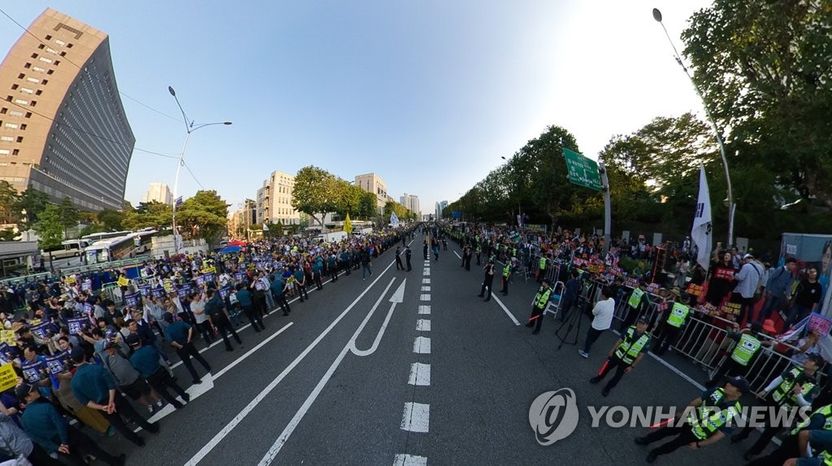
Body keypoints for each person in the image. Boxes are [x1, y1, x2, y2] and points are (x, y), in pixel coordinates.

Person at [635, 377, 748, 463]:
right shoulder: (717, 391)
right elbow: (697, 401)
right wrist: (683, 413)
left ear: (738, 393)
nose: (728, 384)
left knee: (675, 444)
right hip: (688, 419)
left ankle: (656, 452)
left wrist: (699, 444)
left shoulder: (736, 412)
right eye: (730, 382)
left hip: (697, 433)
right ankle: (646, 440)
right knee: (665, 431)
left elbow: (720, 434)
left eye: (732, 385)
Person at [732, 354, 822, 461]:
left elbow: (807, 405)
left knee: (768, 433)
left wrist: (798, 394)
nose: (807, 361)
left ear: (816, 367)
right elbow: (779, 379)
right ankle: (742, 435)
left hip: (786, 411)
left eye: (811, 360)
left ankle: (753, 452)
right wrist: (766, 389)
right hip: (774, 400)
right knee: (755, 419)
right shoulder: (796, 369)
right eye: (808, 358)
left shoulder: (814, 386)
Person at [17, 382, 125, 466]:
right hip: (68, 434)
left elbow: (36, 438)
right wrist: (64, 441)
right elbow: (60, 424)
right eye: (33, 391)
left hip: (57, 443)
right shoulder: (46, 407)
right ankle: (115, 462)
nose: (36, 390)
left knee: (77, 462)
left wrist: (56, 447)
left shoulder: (24, 419)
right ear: (27, 397)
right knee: (92, 448)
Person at [70, 347, 159, 447]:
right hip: (114, 397)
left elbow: (85, 402)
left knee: (119, 425)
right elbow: (111, 385)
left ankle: (138, 441)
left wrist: (103, 407)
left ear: (73, 361)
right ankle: (152, 429)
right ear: (84, 355)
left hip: (101, 405)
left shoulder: (74, 382)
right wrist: (111, 401)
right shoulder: (97, 368)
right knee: (133, 414)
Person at [126, 333, 190, 411]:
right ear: (140, 340)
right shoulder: (149, 348)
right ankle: (185, 396)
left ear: (130, 345)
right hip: (159, 369)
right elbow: (157, 357)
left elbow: (137, 369)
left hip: (150, 377)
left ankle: (177, 405)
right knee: (173, 385)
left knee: (164, 392)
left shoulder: (132, 359)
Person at [590, 317, 651, 397]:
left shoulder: (647, 339)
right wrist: (612, 350)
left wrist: (632, 366)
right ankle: (598, 378)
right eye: (639, 322)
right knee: (606, 367)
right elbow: (620, 340)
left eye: (642, 324)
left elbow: (641, 355)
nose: (639, 324)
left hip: (627, 361)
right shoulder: (630, 328)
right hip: (618, 354)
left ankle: (607, 388)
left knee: (617, 377)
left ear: (646, 326)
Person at [706, 322, 765, 388]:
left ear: (750, 328)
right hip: (743, 363)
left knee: (721, 371)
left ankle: (711, 384)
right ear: (758, 332)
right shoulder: (758, 344)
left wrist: (730, 328)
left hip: (733, 358)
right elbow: (754, 357)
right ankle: (724, 389)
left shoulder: (743, 336)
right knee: (732, 378)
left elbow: (731, 334)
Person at [163, 313, 212, 384]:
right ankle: (208, 368)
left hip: (180, 348)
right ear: (172, 317)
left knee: (188, 364)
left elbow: (171, 341)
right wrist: (189, 338)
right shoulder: (180, 323)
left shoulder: (167, 330)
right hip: (188, 343)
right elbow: (190, 328)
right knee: (198, 356)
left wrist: (179, 346)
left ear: (166, 321)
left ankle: (197, 379)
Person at [579, 286, 615, 358]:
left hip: (597, 325)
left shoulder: (600, 303)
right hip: (606, 325)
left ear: (603, 295)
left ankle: (586, 352)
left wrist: (594, 305)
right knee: (595, 336)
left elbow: (594, 313)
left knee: (589, 336)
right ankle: (590, 344)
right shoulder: (612, 300)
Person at [758, 257, 797, 323]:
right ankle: (759, 321)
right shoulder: (780, 269)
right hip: (771, 292)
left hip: (779, 295)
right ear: (787, 264)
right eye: (792, 264)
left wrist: (788, 296)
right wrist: (768, 290)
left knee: (771, 309)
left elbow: (788, 286)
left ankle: (765, 323)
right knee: (766, 308)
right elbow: (771, 279)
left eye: (794, 265)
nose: (793, 266)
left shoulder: (791, 275)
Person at [732, 253, 765, 323]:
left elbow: (740, 277)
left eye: (744, 260)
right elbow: (761, 280)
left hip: (741, 290)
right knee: (745, 307)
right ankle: (742, 322)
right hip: (751, 292)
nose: (744, 262)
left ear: (747, 259)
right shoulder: (761, 267)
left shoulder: (746, 266)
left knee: (737, 306)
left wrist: (735, 275)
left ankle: (733, 320)